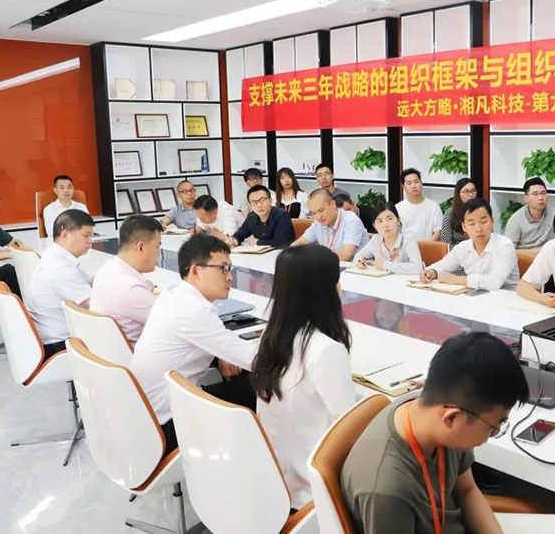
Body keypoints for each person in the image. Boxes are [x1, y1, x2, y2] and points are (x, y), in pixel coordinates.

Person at [342, 331, 529, 534]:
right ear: (452, 418)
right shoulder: (387, 490)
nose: (492, 434)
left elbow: (467, 491)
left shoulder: (431, 416)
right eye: (492, 428)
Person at [130, 234, 259, 453]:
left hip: (147, 417)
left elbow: (207, 339)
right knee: (261, 389)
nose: (230, 277)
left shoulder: (173, 294)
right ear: (196, 270)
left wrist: (223, 352)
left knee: (242, 381)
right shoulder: (195, 310)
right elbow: (255, 360)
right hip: (169, 427)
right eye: (223, 269)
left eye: (230, 269)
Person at [252, 245, 357, 509]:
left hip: (275, 481)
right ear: (322, 291)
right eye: (336, 280)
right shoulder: (326, 350)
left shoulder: (273, 337)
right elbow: (349, 428)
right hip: (313, 491)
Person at [26, 210, 94, 356]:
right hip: (59, 345)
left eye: (91, 236)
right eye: (86, 235)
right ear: (64, 234)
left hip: (54, 337)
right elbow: (95, 304)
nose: (90, 241)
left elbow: (92, 281)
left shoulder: (55, 255)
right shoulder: (60, 268)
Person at [89, 215, 163, 344]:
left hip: (106, 349)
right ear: (141, 247)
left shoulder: (107, 268)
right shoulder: (130, 288)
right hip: (135, 353)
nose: (158, 253)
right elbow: (172, 323)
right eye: (157, 247)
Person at [420, 199, 518, 290]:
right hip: (475, 297)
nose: (478, 229)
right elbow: (442, 266)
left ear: (492, 221)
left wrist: (455, 279)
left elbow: (494, 282)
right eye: (472, 224)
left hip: (505, 299)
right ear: (464, 227)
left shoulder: (505, 245)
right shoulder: (463, 247)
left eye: (483, 222)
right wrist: (431, 272)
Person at [291, 188, 369, 261]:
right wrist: (290, 252)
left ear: (333, 204)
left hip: (354, 267)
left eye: (321, 210)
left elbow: (347, 254)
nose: (318, 216)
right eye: (314, 213)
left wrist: (316, 257)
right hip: (330, 265)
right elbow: (300, 242)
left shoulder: (350, 220)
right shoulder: (318, 222)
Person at [353, 203, 423, 274]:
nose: (385, 224)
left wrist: (385, 265)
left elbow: (418, 268)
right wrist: (360, 261)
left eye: (389, 219)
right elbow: (358, 257)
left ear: (398, 220)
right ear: (374, 226)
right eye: (380, 221)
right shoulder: (376, 239)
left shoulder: (409, 242)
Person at [230, 185, 294, 248]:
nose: (259, 205)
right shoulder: (251, 217)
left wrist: (258, 242)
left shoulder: (282, 215)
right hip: (260, 254)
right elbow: (239, 235)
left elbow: (281, 242)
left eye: (262, 200)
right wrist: (234, 241)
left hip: (283, 253)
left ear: (270, 200)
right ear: (250, 205)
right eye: (254, 202)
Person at [504, 177, 554, 251]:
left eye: (543, 193)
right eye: (535, 194)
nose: (540, 198)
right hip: (523, 256)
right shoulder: (516, 221)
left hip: (547, 256)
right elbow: (508, 251)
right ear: (526, 198)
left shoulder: (554, 214)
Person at [396, 168, 443, 242]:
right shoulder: (398, 208)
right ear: (403, 187)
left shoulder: (433, 206)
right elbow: (396, 233)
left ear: (421, 183)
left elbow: (438, 231)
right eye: (409, 183)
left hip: (428, 246)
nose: (413, 186)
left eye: (416, 182)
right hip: (405, 247)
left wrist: (426, 246)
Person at [439, 178, 477, 249]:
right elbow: (445, 243)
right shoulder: (450, 213)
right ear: (458, 194)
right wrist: (461, 250)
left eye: (473, 191)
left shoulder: (481, 211)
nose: (471, 194)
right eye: (466, 191)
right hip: (455, 251)